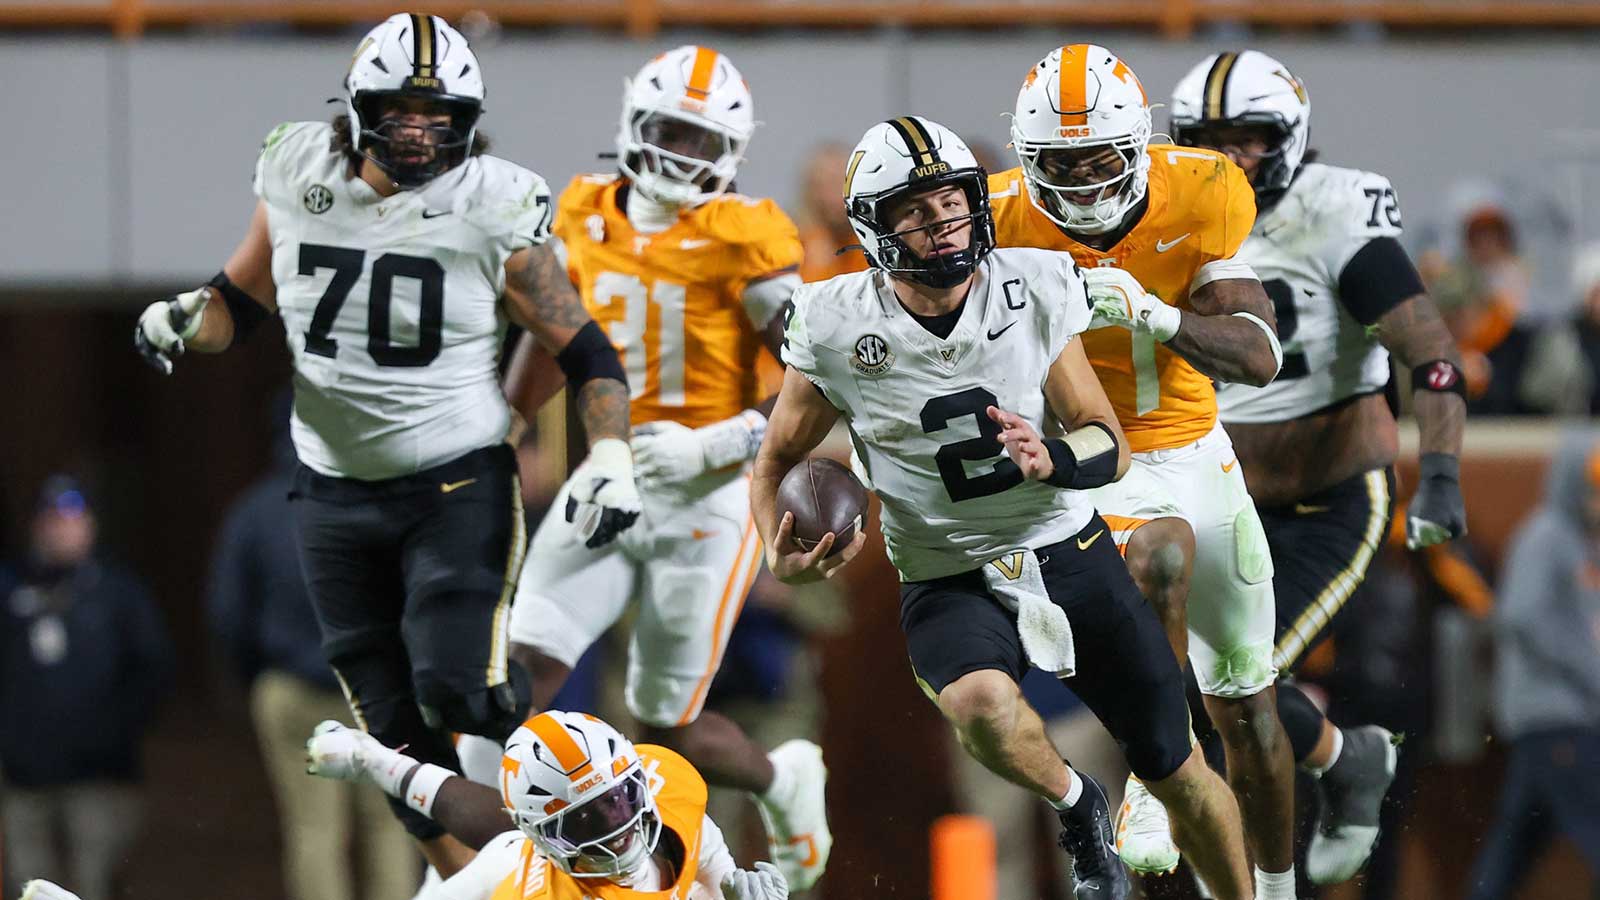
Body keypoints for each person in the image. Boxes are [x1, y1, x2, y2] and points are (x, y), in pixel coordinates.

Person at [132, 12, 639, 875]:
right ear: (359, 110)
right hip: (331, 490)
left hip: (454, 484)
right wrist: (186, 316)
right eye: (401, 112)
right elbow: (237, 303)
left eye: (439, 117)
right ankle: (475, 882)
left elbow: (584, 348)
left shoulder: (493, 202)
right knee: (391, 728)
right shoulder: (299, 170)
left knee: (459, 690)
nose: (418, 133)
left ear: (467, 123)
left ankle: (601, 795)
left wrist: (611, 457)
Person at [751, 114, 1253, 900]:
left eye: (952, 201)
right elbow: (777, 457)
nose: (942, 221)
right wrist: (774, 548)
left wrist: (1054, 457)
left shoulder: (1036, 284)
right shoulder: (833, 319)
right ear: (873, 227)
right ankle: (1079, 805)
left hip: (1066, 548)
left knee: (1178, 771)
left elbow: (1107, 441)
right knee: (978, 703)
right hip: (945, 571)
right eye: (916, 210)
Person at [478, 45, 829, 890]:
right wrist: (506, 429)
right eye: (672, 132)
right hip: (610, 475)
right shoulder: (580, 210)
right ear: (635, 124)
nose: (683, 155)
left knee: (665, 728)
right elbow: (553, 335)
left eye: (704, 141)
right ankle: (507, 869)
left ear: (733, 152)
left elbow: (817, 378)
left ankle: (781, 779)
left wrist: (718, 443)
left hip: (709, 495)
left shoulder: (747, 235)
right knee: (519, 680)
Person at [990, 44, 1296, 898]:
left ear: (1139, 146)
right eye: (1062, 165)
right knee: (1156, 555)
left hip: (1198, 452)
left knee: (1253, 710)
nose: (1084, 183)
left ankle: (1276, 890)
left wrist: (1158, 315)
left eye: (1101, 161)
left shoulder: (1202, 191)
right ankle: (1156, 770)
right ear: (1027, 157)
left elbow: (1260, 354)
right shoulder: (996, 218)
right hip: (1092, 455)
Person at [1167, 49, 1468, 885]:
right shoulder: (1169, 216)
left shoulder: (1334, 211)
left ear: (1291, 136)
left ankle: (1321, 797)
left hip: (1329, 500)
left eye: (1249, 137)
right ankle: (1344, 760)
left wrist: (1442, 470)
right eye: (1207, 140)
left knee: (1226, 683)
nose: (1228, 158)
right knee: (1173, 679)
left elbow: (1432, 353)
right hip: (1220, 501)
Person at [207, 395, 420, 900]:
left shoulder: (254, 511)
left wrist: (255, 676)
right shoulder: (382, 500)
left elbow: (226, 612)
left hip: (292, 688)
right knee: (390, 827)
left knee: (314, 832)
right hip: (377, 690)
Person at [306, 712, 791, 900]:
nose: (617, 828)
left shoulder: (673, 795)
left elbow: (709, 865)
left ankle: (373, 759)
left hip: (515, 845)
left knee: (500, 834)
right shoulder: (533, 882)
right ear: (544, 843)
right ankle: (371, 759)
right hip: (509, 880)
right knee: (501, 848)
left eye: (619, 799)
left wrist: (730, 889)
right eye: (586, 820)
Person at [0, 478, 173, 900]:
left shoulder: (117, 592)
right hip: (24, 773)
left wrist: (117, 732)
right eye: (55, 520)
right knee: (29, 885)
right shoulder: (10, 589)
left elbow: (152, 668)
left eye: (75, 520)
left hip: (99, 772)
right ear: (38, 526)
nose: (65, 530)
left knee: (96, 880)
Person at [1465, 429, 1600, 900]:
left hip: (1560, 718)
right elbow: (1521, 617)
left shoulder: (1581, 543)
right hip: (1556, 717)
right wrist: (1590, 672)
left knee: (1515, 844)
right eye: (1593, 488)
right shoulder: (1546, 537)